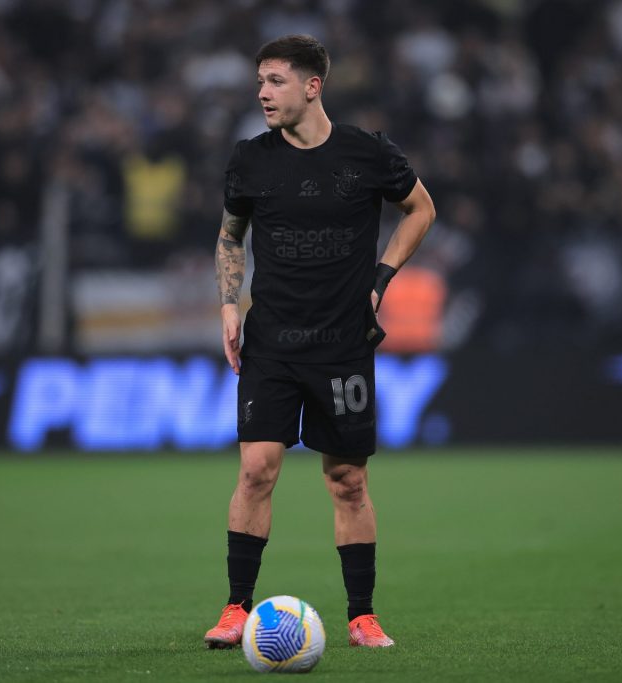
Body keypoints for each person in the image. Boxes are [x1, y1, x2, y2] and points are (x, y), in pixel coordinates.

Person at [204, 34, 436, 650]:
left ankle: (362, 617)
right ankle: (235, 609)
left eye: (275, 81)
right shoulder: (250, 159)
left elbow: (421, 209)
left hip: (342, 346)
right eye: (259, 81)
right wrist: (229, 304)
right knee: (256, 470)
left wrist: (381, 280)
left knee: (348, 481)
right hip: (272, 341)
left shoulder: (367, 154)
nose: (261, 92)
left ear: (313, 86)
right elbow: (231, 236)